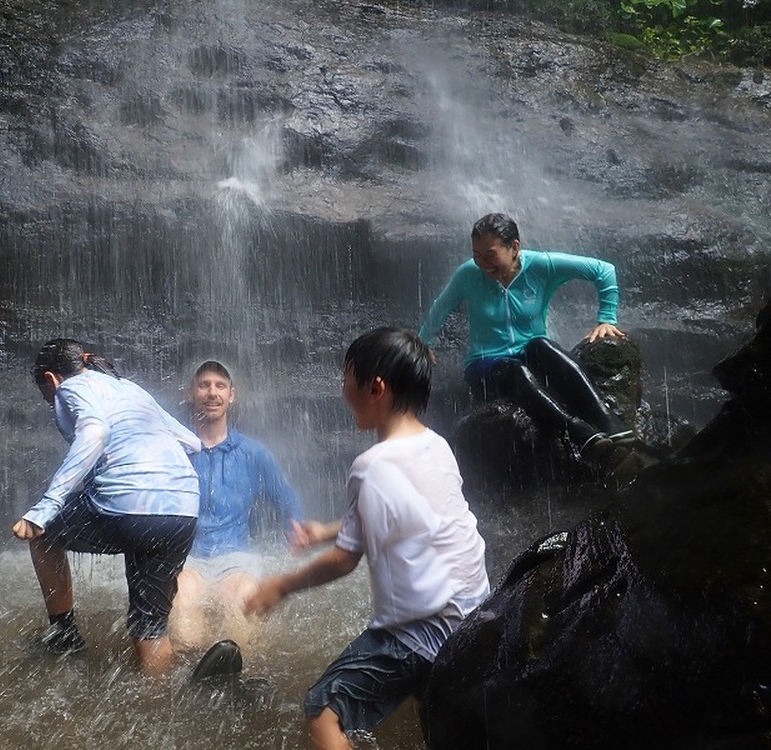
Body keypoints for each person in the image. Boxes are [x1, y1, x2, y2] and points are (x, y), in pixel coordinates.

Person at [246, 328, 490, 750]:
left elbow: (345, 560)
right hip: (470, 617)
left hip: (417, 632)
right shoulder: (436, 446)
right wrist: (325, 531)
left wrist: (281, 586)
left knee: (322, 712)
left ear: (376, 388)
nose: (342, 391)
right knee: (431, 714)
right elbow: (411, 516)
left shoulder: (371, 465)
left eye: (346, 379)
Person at [13, 338, 201, 676]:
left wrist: (45, 508)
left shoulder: (71, 388)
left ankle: (64, 635)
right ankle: (162, 695)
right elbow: (193, 442)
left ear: (52, 379)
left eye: (47, 395)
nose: (51, 402)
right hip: (182, 511)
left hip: (127, 509)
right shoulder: (130, 389)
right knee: (150, 627)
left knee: (42, 534)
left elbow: (95, 431)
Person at [418, 212, 633, 461]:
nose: (483, 264)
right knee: (514, 369)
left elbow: (603, 270)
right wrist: (422, 342)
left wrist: (607, 319)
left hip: (531, 355)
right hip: (486, 366)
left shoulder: (542, 265)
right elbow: (441, 306)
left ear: (514, 247)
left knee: (541, 345)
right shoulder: (468, 274)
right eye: (477, 255)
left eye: (490, 255)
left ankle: (608, 420)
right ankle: (577, 430)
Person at [169, 360, 304, 650]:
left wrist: (296, 531)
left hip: (236, 558)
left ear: (232, 395)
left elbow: (287, 498)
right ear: (191, 393)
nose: (212, 392)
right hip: (189, 556)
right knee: (181, 600)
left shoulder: (253, 453)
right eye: (204, 385)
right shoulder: (175, 449)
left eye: (220, 386)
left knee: (242, 599)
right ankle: (192, 662)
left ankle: (233, 664)